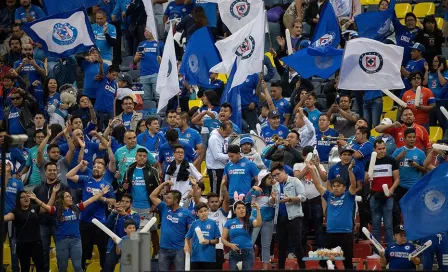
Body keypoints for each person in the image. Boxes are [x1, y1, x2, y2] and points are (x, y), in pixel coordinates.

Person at [38, 184, 111, 272]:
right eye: (68, 196)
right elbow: (44, 206)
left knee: (78, 267)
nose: (71, 198)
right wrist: (35, 199)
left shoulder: (77, 208)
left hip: (76, 241)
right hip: (62, 241)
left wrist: (101, 193)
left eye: (70, 196)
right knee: (62, 268)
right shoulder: (56, 210)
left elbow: (90, 200)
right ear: (62, 199)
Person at [66, 160, 117, 271]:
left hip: (100, 222)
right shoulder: (86, 179)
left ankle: (104, 269)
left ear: (103, 172)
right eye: (95, 166)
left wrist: (102, 198)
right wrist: (80, 165)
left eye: (99, 167)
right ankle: (82, 269)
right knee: (84, 249)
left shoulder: (107, 185)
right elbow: (69, 176)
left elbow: (113, 201)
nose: (96, 168)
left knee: (102, 249)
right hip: (84, 221)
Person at [309, 161, 357, 269]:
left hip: (346, 234)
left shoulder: (349, 196)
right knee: (327, 264)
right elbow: (317, 185)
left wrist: (349, 171)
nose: (335, 188)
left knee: (347, 263)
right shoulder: (329, 196)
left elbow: (353, 184)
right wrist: (311, 169)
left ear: (344, 188)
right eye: (334, 186)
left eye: (338, 186)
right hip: (331, 234)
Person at [150, 180, 194, 271]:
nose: (166, 199)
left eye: (169, 198)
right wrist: (163, 184)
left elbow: (191, 232)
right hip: (164, 249)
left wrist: (189, 247)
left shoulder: (186, 213)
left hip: (179, 250)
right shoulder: (164, 207)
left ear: (176, 200)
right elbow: (152, 196)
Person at [33, 161, 70, 271]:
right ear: (45, 172)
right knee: (43, 251)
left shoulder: (64, 187)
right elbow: (37, 210)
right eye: (50, 170)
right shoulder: (37, 188)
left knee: (61, 251)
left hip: (59, 224)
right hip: (42, 224)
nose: (52, 172)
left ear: (57, 171)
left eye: (54, 170)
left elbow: (68, 205)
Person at [269, 162, 306, 269]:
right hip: (280, 218)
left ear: (284, 171)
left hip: (294, 217)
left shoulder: (295, 181)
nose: (276, 177)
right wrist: (272, 198)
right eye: (274, 176)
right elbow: (272, 203)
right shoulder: (275, 185)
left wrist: (290, 199)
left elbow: (303, 197)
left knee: (297, 245)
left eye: (278, 174)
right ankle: (280, 268)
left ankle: (303, 268)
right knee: (281, 246)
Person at [365, 140, 400, 246]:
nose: (382, 151)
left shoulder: (392, 161)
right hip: (375, 196)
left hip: (388, 196)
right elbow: (366, 181)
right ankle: (377, 251)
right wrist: (367, 178)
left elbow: (397, 179)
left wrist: (391, 190)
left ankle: (390, 249)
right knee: (375, 225)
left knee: (388, 225)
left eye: (383, 148)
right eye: (379, 149)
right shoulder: (370, 162)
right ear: (374, 150)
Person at [4, 190, 49, 272]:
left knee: (41, 268)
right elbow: (6, 217)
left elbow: (48, 208)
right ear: (19, 200)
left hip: (36, 243)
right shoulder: (15, 211)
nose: (25, 198)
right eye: (22, 197)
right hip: (22, 245)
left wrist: (37, 199)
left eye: (27, 196)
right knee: (25, 268)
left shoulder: (35, 208)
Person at [293, 147, 326, 249]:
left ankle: (321, 251)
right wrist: (307, 166)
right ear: (303, 156)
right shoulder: (298, 165)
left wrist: (317, 166)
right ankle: (301, 252)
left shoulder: (319, 166)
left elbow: (324, 178)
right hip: (302, 201)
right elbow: (297, 177)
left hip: (316, 199)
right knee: (303, 228)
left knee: (319, 228)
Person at [245, 170, 275, 270]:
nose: (272, 180)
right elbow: (247, 200)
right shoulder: (257, 189)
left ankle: (265, 268)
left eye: (272, 178)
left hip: (269, 220)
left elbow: (272, 203)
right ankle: (246, 266)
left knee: (266, 245)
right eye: (269, 178)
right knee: (250, 243)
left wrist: (273, 198)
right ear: (263, 179)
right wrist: (252, 189)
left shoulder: (274, 189)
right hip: (256, 219)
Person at [103, 194, 141, 272]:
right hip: (115, 243)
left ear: (131, 204)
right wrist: (113, 213)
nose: (124, 203)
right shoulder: (115, 214)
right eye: (122, 201)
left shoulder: (135, 214)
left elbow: (135, 225)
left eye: (127, 202)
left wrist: (125, 214)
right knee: (108, 263)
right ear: (119, 202)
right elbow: (107, 225)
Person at [222, 201, 262, 270]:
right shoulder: (229, 222)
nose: (242, 209)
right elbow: (223, 239)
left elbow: (258, 223)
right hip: (234, 252)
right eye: (239, 208)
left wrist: (258, 210)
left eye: (243, 208)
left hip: (248, 252)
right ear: (234, 211)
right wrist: (230, 245)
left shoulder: (250, 220)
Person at [391, 128, 426, 201]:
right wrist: (398, 158)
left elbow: (425, 170)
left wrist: (417, 166)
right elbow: (390, 165)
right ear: (404, 138)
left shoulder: (421, 153)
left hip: (415, 185)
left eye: (414, 137)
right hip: (400, 185)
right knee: (400, 209)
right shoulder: (398, 151)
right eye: (409, 137)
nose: (412, 139)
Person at [184, 202, 221, 270]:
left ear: (208, 211)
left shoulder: (213, 223)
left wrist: (209, 241)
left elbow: (217, 240)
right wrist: (186, 245)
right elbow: (187, 237)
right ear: (197, 213)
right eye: (201, 212)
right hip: (195, 257)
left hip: (209, 258)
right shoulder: (194, 224)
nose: (203, 213)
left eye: (205, 210)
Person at [2, 159, 22, 272]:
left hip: (13, 219)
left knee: (14, 245)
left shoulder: (18, 183)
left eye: (5, 164)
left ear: (11, 166)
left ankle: (15, 268)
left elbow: (22, 200)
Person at [206, 121, 232, 195]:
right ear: (221, 129)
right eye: (227, 133)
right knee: (216, 193)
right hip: (215, 169)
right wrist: (231, 156)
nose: (228, 135)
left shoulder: (224, 137)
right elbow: (217, 156)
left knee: (222, 192)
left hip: (222, 168)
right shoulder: (214, 138)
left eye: (229, 133)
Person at [133, 29, 160, 103]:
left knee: (158, 96)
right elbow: (135, 60)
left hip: (156, 74)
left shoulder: (159, 44)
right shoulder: (141, 44)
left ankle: (160, 114)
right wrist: (137, 57)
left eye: (148, 31)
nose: (146, 33)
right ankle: (149, 113)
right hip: (143, 74)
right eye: (145, 31)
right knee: (146, 98)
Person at [94, 65, 120, 131]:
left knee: (109, 132)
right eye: (113, 75)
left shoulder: (115, 84)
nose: (115, 77)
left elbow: (114, 99)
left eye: (116, 76)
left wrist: (113, 114)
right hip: (99, 111)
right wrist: (100, 62)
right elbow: (100, 70)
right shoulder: (101, 78)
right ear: (108, 72)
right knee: (98, 131)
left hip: (109, 113)